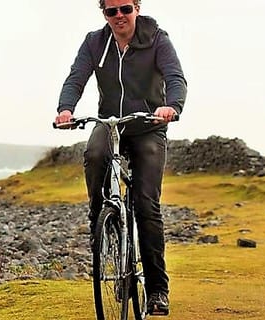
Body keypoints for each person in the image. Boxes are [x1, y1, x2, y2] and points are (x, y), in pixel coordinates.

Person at [53, 0, 186, 315]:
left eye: (125, 9)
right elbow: (76, 78)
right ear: (104, 13)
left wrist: (172, 107)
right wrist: (65, 109)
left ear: (137, 7)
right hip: (110, 123)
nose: (119, 17)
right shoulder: (94, 43)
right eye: (110, 11)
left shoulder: (158, 39)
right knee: (94, 153)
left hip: (149, 125)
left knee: (146, 205)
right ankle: (99, 215)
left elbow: (176, 77)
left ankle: (157, 290)